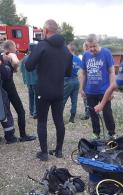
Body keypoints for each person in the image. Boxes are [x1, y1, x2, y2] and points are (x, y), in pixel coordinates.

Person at [25, 19, 72, 161]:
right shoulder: (65, 49)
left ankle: (44, 153)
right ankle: (58, 151)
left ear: (45, 31)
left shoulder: (42, 45)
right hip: (58, 90)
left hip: (43, 91)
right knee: (59, 120)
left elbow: (28, 66)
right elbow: (69, 72)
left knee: (42, 121)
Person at [80, 34, 116, 139]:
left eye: (94, 46)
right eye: (89, 46)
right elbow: (83, 73)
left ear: (98, 43)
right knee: (93, 113)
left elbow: (111, 72)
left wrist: (112, 90)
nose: (92, 49)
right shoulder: (86, 55)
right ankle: (96, 134)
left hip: (104, 91)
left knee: (107, 113)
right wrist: (81, 88)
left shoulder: (106, 53)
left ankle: (111, 133)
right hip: (90, 91)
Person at [1, 40, 36, 142]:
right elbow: (16, 62)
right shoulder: (10, 54)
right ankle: (23, 135)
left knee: (4, 111)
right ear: (11, 47)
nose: (16, 49)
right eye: (15, 47)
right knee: (20, 111)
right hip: (10, 87)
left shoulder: (0, 55)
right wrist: (15, 67)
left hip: (1, 87)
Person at [63, 43, 82, 123]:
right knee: (74, 101)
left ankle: (59, 116)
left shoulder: (66, 58)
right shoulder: (78, 59)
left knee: (62, 100)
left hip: (67, 81)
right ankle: (72, 117)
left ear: (69, 49)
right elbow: (81, 69)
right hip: (76, 81)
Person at [20, 43, 38, 119]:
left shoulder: (24, 58)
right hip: (36, 81)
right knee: (36, 97)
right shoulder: (36, 58)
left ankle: (31, 111)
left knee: (31, 96)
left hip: (28, 80)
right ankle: (35, 113)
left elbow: (21, 70)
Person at [79, 42, 90, 120]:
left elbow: (83, 72)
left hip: (87, 80)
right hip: (90, 79)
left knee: (86, 97)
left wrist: (81, 87)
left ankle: (87, 114)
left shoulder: (85, 55)